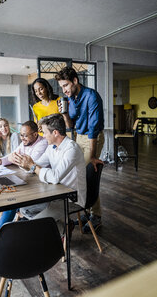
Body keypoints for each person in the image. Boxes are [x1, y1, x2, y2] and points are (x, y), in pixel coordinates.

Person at [0, 121, 48, 262]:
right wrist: (1, 161)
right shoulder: (26, 143)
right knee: (10, 201)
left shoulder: (42, 144)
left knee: (11, 202)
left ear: (35, 134)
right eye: (21, 135)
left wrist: (18, 161)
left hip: (41, 188)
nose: (22, 138)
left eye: (25, 136)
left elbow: (29, 166)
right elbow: (13, 156)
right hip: (29, 182)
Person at [13, 114, 86, 230]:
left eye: (45, 132)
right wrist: (23, 163)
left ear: (55, 133)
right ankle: (63, 226)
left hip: (71, 199)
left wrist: (32, 166)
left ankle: (56, 229)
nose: (43, 136)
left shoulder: (72, 149)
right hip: (55, 194)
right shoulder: (51, 147)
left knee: (34, 225)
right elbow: (37, 164)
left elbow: (55, 176)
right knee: (24, 209)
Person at [55, 66, 104, 232]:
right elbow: (70, 126)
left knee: (87, 175)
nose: (64, 90)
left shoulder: (92, 96)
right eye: (62, 87)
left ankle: (96, 216)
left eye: (66, 85)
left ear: (75, 81)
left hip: (93, 137)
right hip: (78, 136)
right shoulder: (72, 99)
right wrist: (64, 113)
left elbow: (93, 129)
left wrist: (92, 156)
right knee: (78, 175)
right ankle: (86, 210)